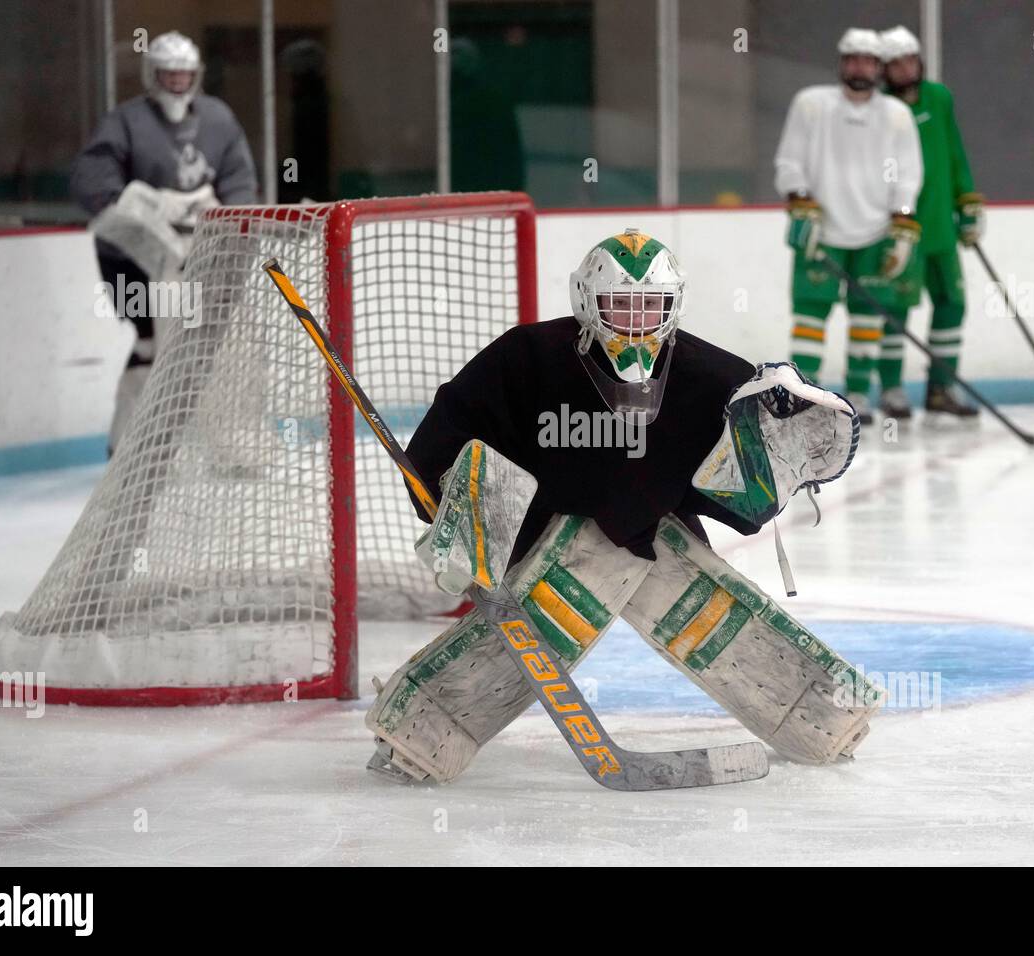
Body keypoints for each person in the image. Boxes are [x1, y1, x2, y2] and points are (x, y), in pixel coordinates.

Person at [364, 230, 880, 784]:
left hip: (650, 538)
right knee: (565, 596)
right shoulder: (529, 357)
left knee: (696, 605)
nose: (636, 318)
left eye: (650, 304)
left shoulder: (707, 375)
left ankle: (825, 718)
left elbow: (742, 486)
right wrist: (461, 514)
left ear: (672, 304)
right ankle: (416, 734)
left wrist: (786, 437)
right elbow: (447, 432)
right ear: (589, 300)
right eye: (621, 303)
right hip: (538, 539)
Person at [70, 30, 258, 452]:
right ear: (152, 75)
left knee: (216, 346)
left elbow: (240, 183)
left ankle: (226, 442)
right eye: (168, 75)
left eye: (184, 74)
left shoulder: (218, 119)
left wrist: (227, 218)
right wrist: (138, 206)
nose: (176, 82)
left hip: (198, 254)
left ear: (196, 76)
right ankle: (130, 448)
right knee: (151, 344)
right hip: (129, 259)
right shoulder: (125, 122)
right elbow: (92, 180)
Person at [773, 27, 923, 425]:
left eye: (868, 60)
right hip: (822, 229)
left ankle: (858, 393)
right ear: (842, 62)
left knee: (867, 317)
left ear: (878, 67)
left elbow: (909, 174)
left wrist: (903, 220)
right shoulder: (811, 104)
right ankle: (805, 393)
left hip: (875, 232)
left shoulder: (896, 114)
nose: (860, 66)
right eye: (852, 58)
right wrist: (799, 201)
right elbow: (790, 161)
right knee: (810, 313)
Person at [877, 25, 983, 421]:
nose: (905, 69)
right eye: (896, 64)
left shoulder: (938, 98)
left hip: (942, 227)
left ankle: (941, 388)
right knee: (897, 309)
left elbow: (954, 152)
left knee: (952, 303)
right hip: (903, 229)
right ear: (885, 70)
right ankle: (891, 389)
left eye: (910, 60)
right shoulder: (882, 110)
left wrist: (967, 201)